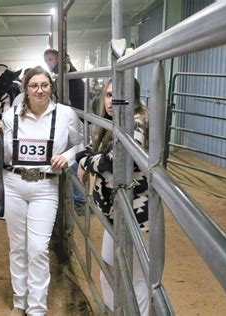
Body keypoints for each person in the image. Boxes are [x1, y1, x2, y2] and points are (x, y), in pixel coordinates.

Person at [0, 66, 83, 315]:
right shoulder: (9, 117)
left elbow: (80, 144)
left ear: (51, 87)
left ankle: (37, 308)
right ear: (26, 89)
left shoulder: (65, 115)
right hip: (14, 183)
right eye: (34, 86)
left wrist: (67, 156)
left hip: (45, 185)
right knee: (18, 246)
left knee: (38, 248)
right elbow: (1, 157)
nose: (39, 90)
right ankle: (20, 301)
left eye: (44, 85)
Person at [76, 78, 149, 314]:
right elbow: (88, 150)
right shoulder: (108, 123)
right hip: (113, 207)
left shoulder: (138, 121)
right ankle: (113, 310)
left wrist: (86, 162)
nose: (111, 101)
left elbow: (117, 161)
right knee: (108, 265)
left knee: (135, 275)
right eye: (108, 95)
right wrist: (87, 160)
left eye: (117, 95)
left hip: (133, 208)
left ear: (132, 97)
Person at [44, 49, 86, 213]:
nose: (49, 63)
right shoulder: (59, 75)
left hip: (76, 121)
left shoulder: (68, 73)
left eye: (51, 59)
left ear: (59, 59)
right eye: (46, 60)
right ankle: (76, 198)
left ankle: (80, 200)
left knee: (74, 160)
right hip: (70, 120)